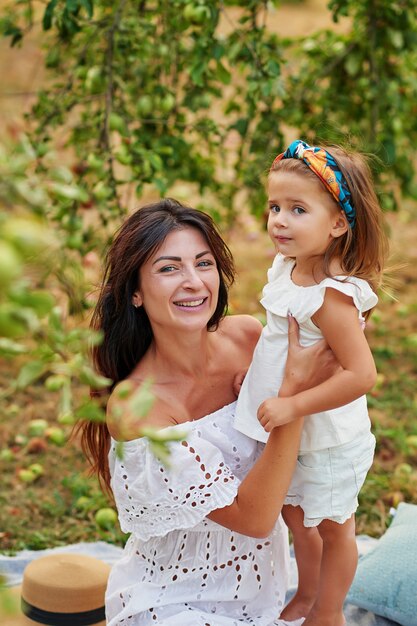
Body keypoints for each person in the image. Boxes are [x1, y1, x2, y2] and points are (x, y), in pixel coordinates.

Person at [78, 198, 337, 626]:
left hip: (261, 596)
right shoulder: (138, 406)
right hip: (169, 601)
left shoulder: (248, 337)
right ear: (136, 293)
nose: (194, 282)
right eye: (169, 268)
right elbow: (253, 519)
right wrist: (294, 398)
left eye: (204, 263)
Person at [234, 140, 389, 626]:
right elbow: (281, 339)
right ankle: (306, 593)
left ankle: (329, 612)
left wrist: (293, 407)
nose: (279, 220)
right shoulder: (288, 269)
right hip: (290, 428)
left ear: (338, 223)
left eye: (297, 209)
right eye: (274, 207)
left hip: (324, 440)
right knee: (297, 520)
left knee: (335, 528)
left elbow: (362, 374)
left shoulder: (330, 298)